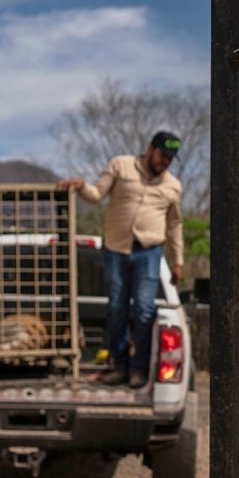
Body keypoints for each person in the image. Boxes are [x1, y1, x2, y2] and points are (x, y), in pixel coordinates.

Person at [58, 131, 184, 388]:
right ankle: (119, 364)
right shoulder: (120, 165)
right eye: (163, 155)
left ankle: (138, 369)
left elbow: (175, 225)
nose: (165, 162)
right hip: (117, 249)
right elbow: (96, 194)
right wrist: (81, 187)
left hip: (148, 252)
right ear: (150, 148)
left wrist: (178, 260)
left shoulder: (173, 186)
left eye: (171, 159)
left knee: (144, 309)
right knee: (117, 307)